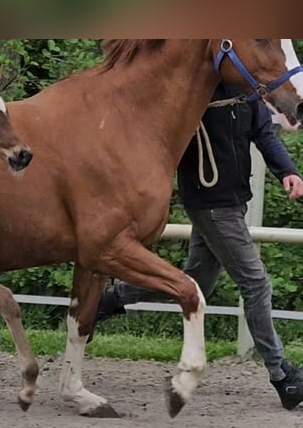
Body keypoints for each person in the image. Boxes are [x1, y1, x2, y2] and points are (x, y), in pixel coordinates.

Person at [94, 81, 303, 410]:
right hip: (212, 204)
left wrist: (288, 171)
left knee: (193, 283)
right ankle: (282, 375)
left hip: (232, 203)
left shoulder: (247, 93)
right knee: (256, 283)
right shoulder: (194, 91)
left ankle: (110, 299)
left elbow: (264, 134)